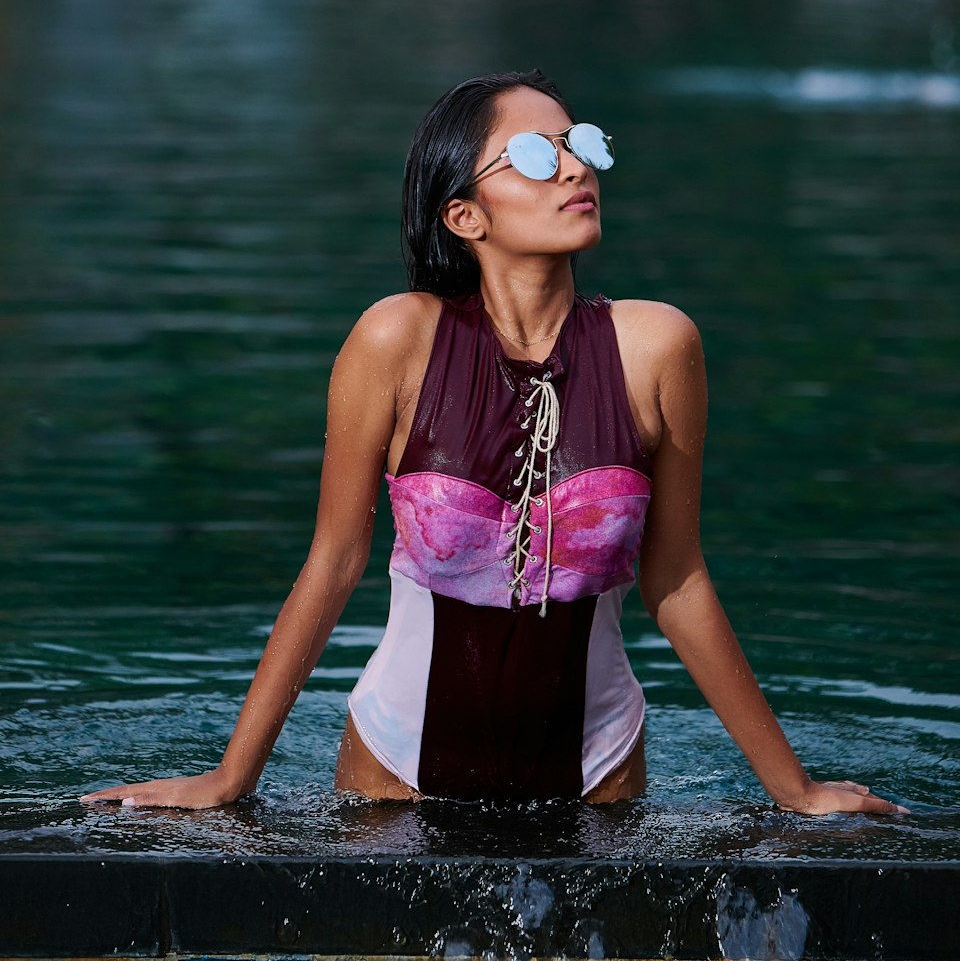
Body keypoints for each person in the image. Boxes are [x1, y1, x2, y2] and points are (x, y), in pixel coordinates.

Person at [82, 70, 907, 814]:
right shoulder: (394, 340)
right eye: (534, 156)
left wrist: (794, 788)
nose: (576, 168)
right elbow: (333, 564)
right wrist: (231, 779)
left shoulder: (658, 345)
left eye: (577, 144)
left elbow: (677, 576)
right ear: (465, 214)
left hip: (599, 768)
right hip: (395, 764)